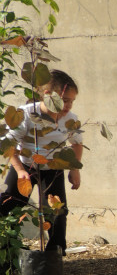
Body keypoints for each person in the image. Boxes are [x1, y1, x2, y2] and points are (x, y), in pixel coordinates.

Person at [0, 69, 83, 255]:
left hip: (53, 167)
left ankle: (55, 252)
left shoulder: (70, 120)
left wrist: (74, 169)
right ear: (48, 95)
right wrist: (20, 171)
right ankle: (7, 247)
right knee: (10, 202)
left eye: (72, 101)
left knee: (57, 211)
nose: (68, 105)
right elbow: (8, 145)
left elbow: (77, 144)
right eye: (66, 100)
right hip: (25, 166)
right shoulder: (26, 114)